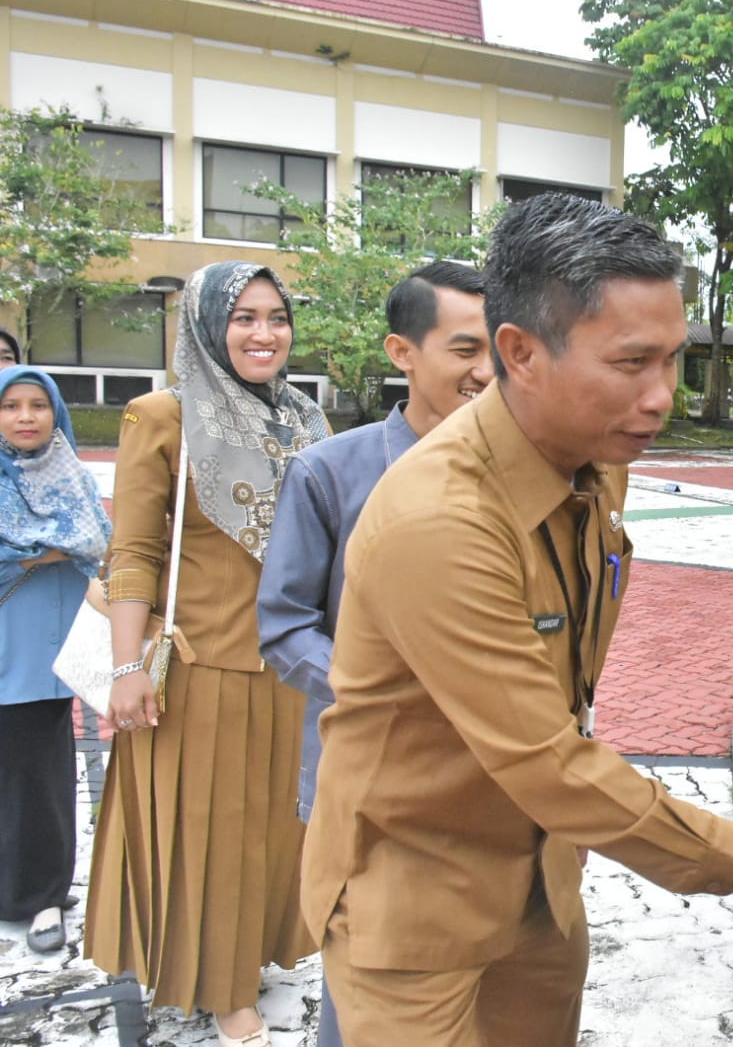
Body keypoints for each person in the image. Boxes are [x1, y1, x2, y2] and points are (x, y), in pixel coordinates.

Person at [300, 194, 733, 1047]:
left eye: (673, 360)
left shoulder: (595, 461)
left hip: (542, 880)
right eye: (630, 363)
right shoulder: (437, 519)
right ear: (520, 353)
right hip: (416, 901)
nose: (661, 396)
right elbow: (545, 759)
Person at [85, 261, 329, 1047]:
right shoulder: (164, 414)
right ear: (205, 324)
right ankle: (226, 995)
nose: (265, 334)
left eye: (277, 317)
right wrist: (127, 667)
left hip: (290, 667)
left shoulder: (303, 419)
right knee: (211, 836)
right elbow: (133, 551)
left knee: (273, 829)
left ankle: (250, 954)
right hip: (199, 670)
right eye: (244, 317)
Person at [257, 261, 491, 1047]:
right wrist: (385, 688)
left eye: (502, 346)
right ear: (402, 351)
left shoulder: (526, 471)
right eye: (464, 349)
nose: (486, 370)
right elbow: (284, 626)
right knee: (365, 993)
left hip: (495, 778)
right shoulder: (332, 472)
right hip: (370, 782)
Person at [0, 366, 111, 954]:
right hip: (9, 640)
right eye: (11, 406)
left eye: (38, 405)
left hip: (50, 651)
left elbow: (102, 539)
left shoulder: (71, 475)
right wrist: (49, 549)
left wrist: (38, 550)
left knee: (40, 779)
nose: (25, 417)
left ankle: (41, 896)